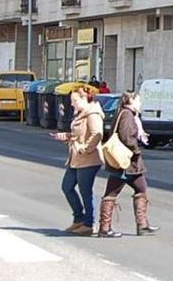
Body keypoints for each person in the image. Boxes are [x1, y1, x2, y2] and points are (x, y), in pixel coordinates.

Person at [97, 92, 159, 237]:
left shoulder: (124, 113)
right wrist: (135, 149)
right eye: (138, 100)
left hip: (127, 164)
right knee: (113, 193)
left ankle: (142, 225)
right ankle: (105, 228)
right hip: (126, 163)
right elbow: (126, 136)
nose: (140, 103)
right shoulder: (127, 115)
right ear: (130, 100)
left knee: (140, 188)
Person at [52, 87, 103, 236]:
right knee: (67, 187)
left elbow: (97, 134)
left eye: (74, 100)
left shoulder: (93, 113)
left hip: (88, 159)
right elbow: (78, 134)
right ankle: (78, 218)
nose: (72, 104)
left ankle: (89, 224)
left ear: (85, 98)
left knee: (85, 191)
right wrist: (67, 136)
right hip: (75, 158)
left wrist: (85, 148)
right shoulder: (80, 113)